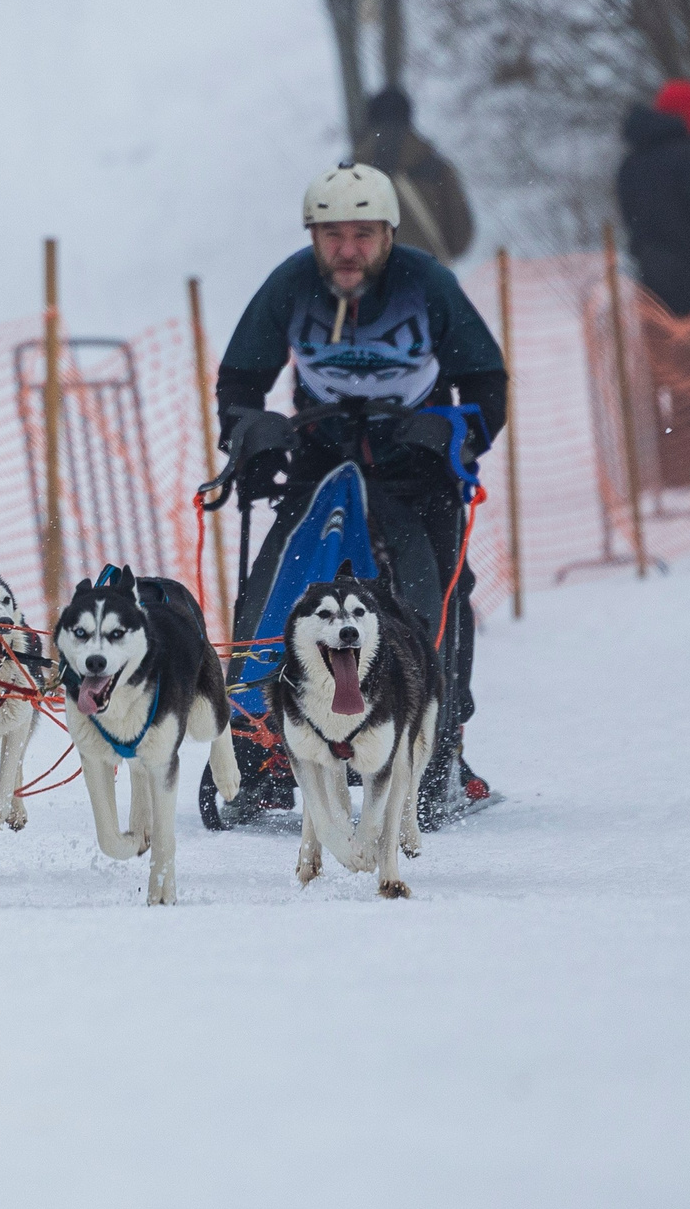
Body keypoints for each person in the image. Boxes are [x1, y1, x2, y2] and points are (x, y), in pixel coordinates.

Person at [216, 161, 509, 803]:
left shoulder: (427, 284)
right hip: (323, 458)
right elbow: (240, 378)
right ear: (313, 237)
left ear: (389, 235)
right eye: (332, 235)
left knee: (442, 591)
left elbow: (487, 382)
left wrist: (456, 434)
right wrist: (249, 436)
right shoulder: (292, 284)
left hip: (415, 466)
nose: (347, 250)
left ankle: (441, 739)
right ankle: (258, 736)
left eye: (363, 234)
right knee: (282, 580)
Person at [614, 78, 690, 490]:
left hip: (647, 279)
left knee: (657, 374)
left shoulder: (630, 164)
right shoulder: (689, 160)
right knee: (688, 374)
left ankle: (660, 463)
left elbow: (633, 220)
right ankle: (686, 466)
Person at [355, 86, 476, 264]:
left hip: (369, 277)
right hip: (427, 273)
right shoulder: (435, 167)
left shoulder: (351, 172)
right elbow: (460, 236)